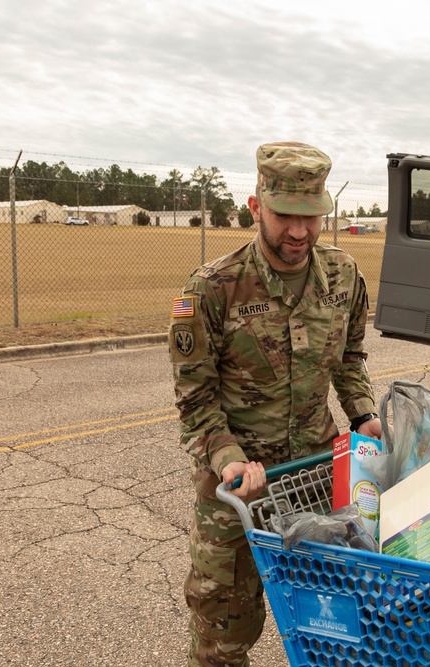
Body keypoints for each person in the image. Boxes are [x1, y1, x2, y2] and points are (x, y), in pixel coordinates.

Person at [169, 141, 382, 667]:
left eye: (311, 217)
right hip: (235, 491)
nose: (300, 232)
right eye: (285, 216)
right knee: (223, 636)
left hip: (312, 480)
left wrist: (363, 414)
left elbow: (350, 356)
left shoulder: (344, 276)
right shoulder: (209, 291)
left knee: (332, 626)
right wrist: (228, 460)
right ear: (255, 206)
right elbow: (195, 400)